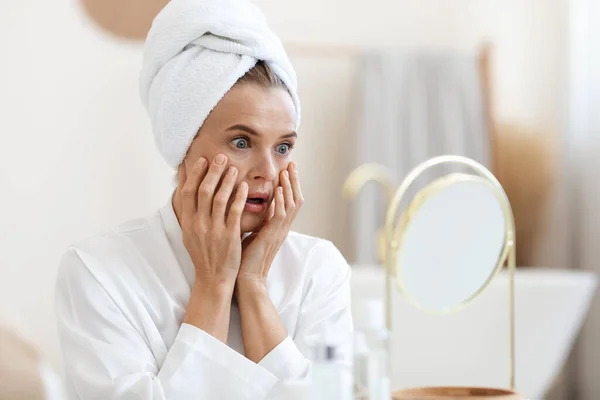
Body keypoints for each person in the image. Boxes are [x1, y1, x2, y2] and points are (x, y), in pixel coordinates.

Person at [54, 0, 353, 399]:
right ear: (183, 147)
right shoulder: (99, 272)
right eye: (242, 141)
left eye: (283, 147)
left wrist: (252, 284)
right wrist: (213, 285)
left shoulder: (318, 269)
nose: (267, 170)